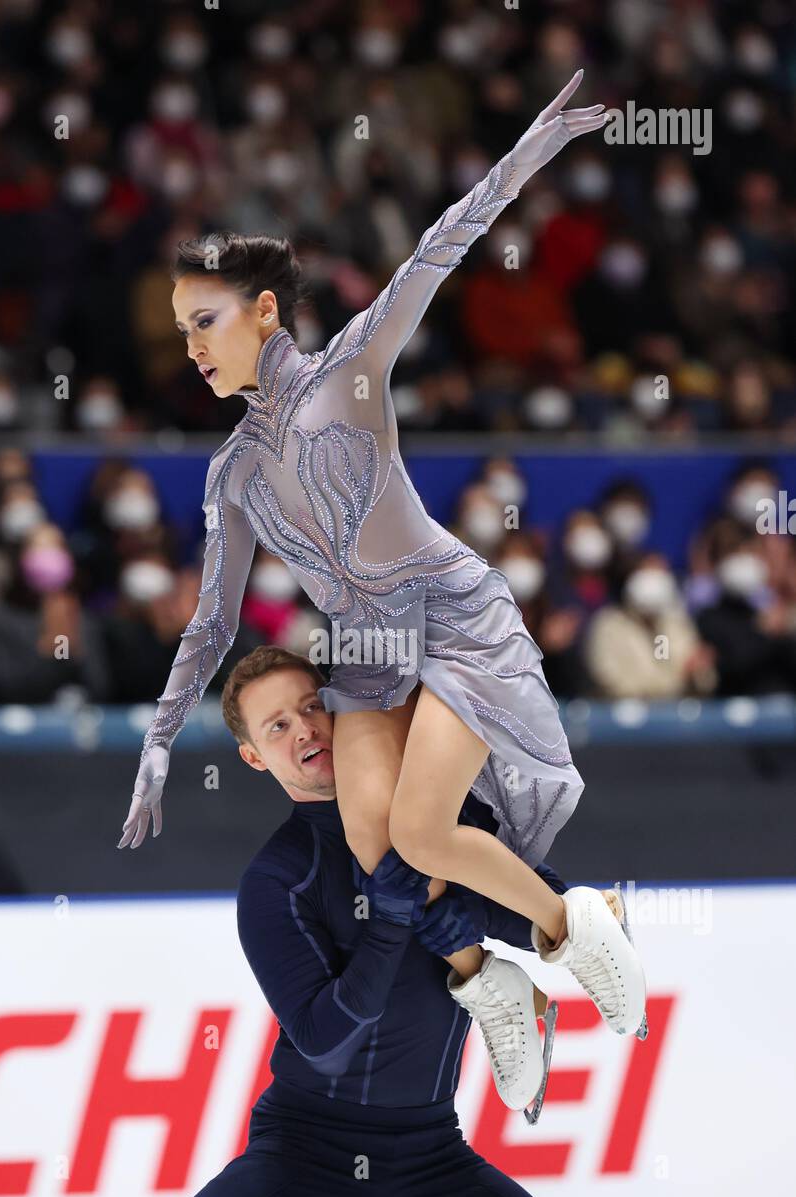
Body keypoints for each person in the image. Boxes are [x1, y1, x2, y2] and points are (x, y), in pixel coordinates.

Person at [118, 71, 646, 1049]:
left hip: (447, 615)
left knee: (419, 831)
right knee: (374, 847)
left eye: (204, 321)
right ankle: (484, 979)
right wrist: (156, 740)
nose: (189, 344)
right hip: (364, 642)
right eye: (182, 327)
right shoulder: (229, 474)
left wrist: (531, 149)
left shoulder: (352, 366)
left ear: (264, 311)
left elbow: (437, 246)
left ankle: (575, 923)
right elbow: (212, 620)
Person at [125, 647, 610, 1197]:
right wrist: (388, 924)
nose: (303, 730)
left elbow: (525, 908)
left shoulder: (434, 823)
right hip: (304, 1161)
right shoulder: (277, 880)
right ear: (253, 758)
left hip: (432, 1161)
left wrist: (568, 917)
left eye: (311, 707)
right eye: (277, 727)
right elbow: (325, 1038)